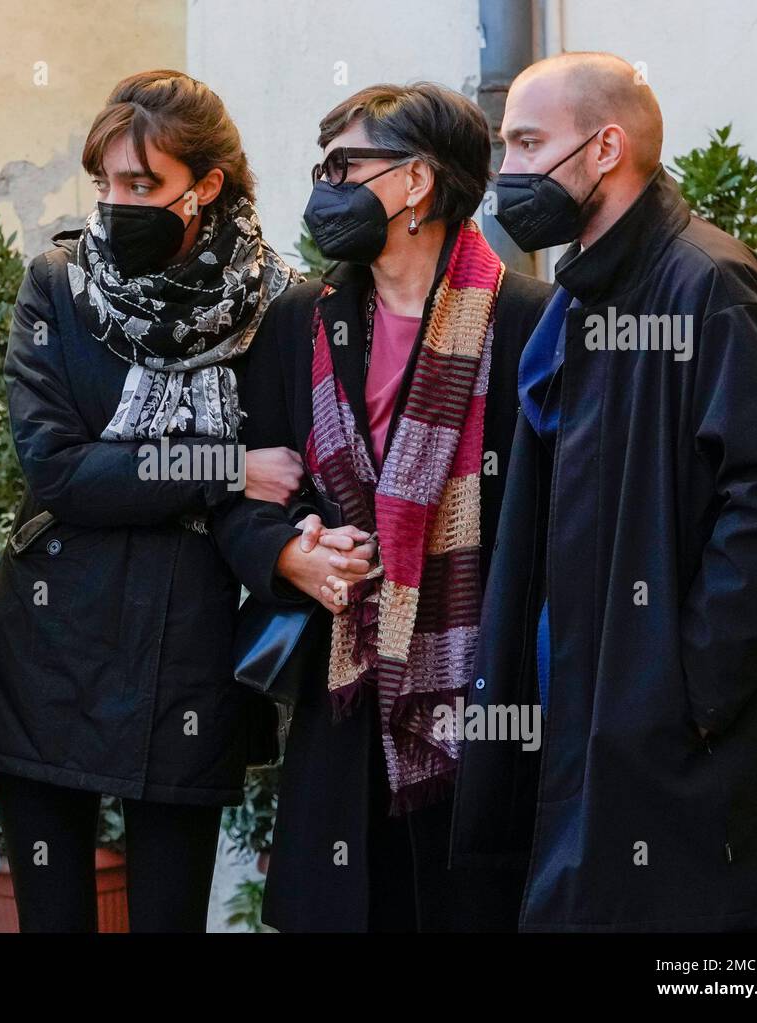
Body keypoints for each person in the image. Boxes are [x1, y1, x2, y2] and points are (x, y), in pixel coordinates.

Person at [451, 50, 757, 932]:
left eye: (525, 142)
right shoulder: (583, 292)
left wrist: (681, 685)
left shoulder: (707, 281)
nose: (507, 172)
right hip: (590, 736)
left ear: (605, 147)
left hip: (667, 746)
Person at [0, 70, 332, 933]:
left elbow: (293, 475)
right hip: (48, 639)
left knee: (168, 915)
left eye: (141, 185)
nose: (116, 203)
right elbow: (60, 471)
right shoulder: (59, 285)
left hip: (189, 642)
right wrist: (223, 464)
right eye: (106, 183)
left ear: (207, 186)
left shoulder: (281, 302)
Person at [217, 83, 553, 931]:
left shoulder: (529, 321)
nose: (324, 188)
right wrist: (289, 554)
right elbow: (250, 493)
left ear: (416, 182)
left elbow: (550, 518)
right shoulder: (301, 319)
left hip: (476, 697)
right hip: (343, 693)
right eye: (322, 166)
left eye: (345, 166)